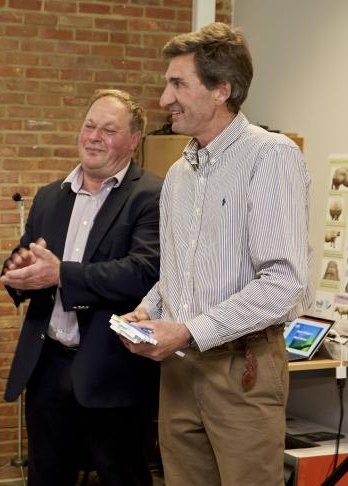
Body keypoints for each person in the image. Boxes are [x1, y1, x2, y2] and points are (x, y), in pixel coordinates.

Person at [121, 23, 311, 486]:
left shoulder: (270, 156)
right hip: (180, 372)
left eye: (177, 84)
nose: (164, 99)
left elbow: (284, 283)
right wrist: (148, 310)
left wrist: (187, 330)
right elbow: (178, 271)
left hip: (241, 370)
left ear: (222, 90)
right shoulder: (179, 173)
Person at [1, 89, 162, 486]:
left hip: (115, 370)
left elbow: (144, 271)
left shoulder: (152, 195)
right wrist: (18, 270)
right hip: (47, 367)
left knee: (123, 476)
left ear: (134, 140)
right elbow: (33, 260)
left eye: (109, 129)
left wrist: (61, 275)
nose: (94, 136)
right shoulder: (48, 197)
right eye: (90, 125)